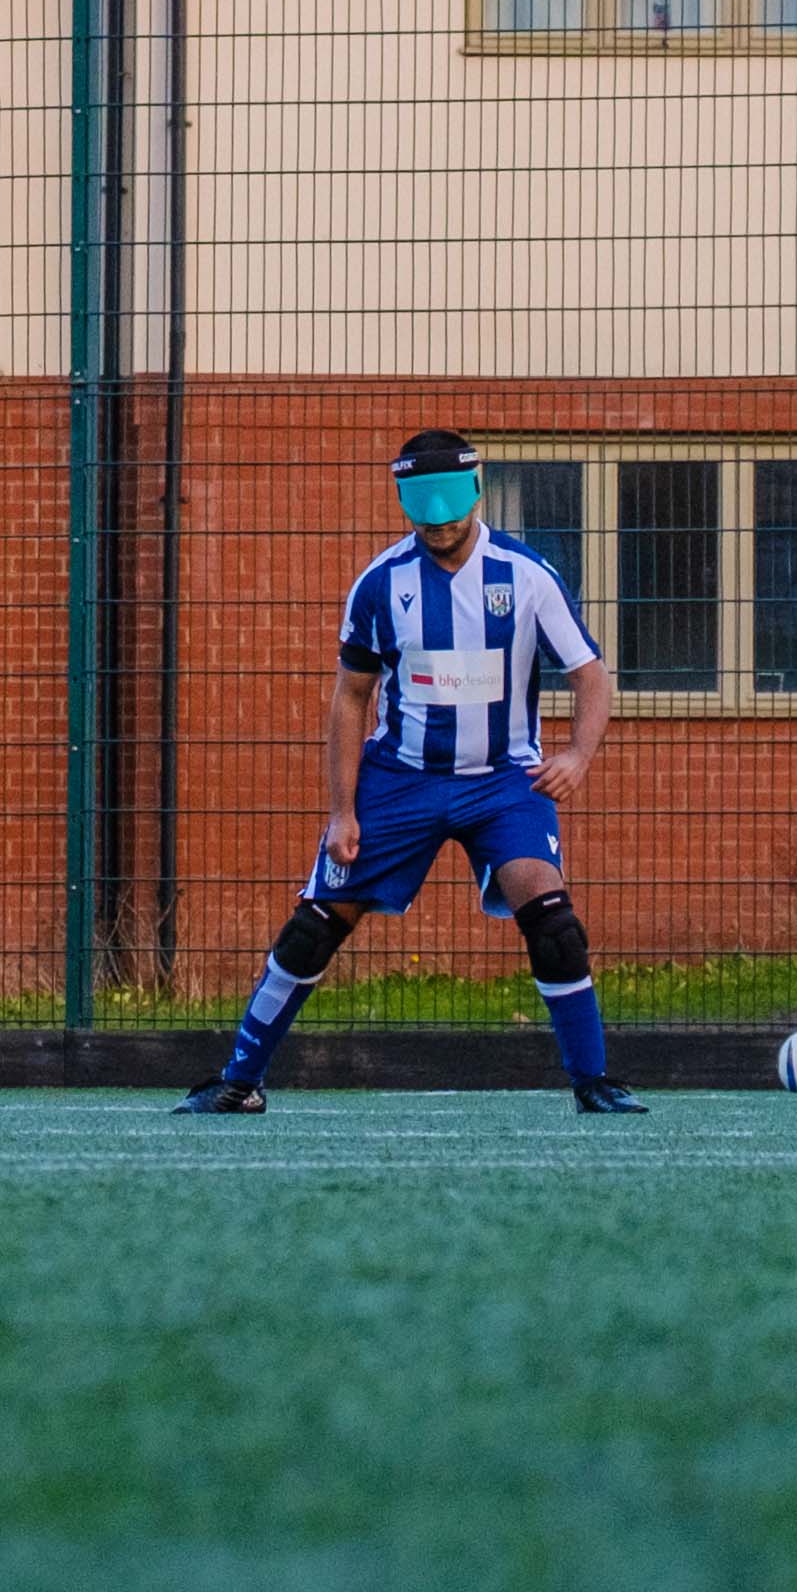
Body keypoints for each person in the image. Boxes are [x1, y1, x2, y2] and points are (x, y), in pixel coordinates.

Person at [184, 429, 641, 1118]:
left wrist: (576, 755)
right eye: (421, 510)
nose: (438, 523)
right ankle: (238, 1079)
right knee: (313, 926)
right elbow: (350, 696)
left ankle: (594, 1082)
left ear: (476, 492)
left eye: (449, 507)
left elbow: (590, 674)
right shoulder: (379, 583)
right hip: (398, 778)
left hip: (502, 781)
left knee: (552, 922)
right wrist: (343, 810)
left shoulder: (525, 577)